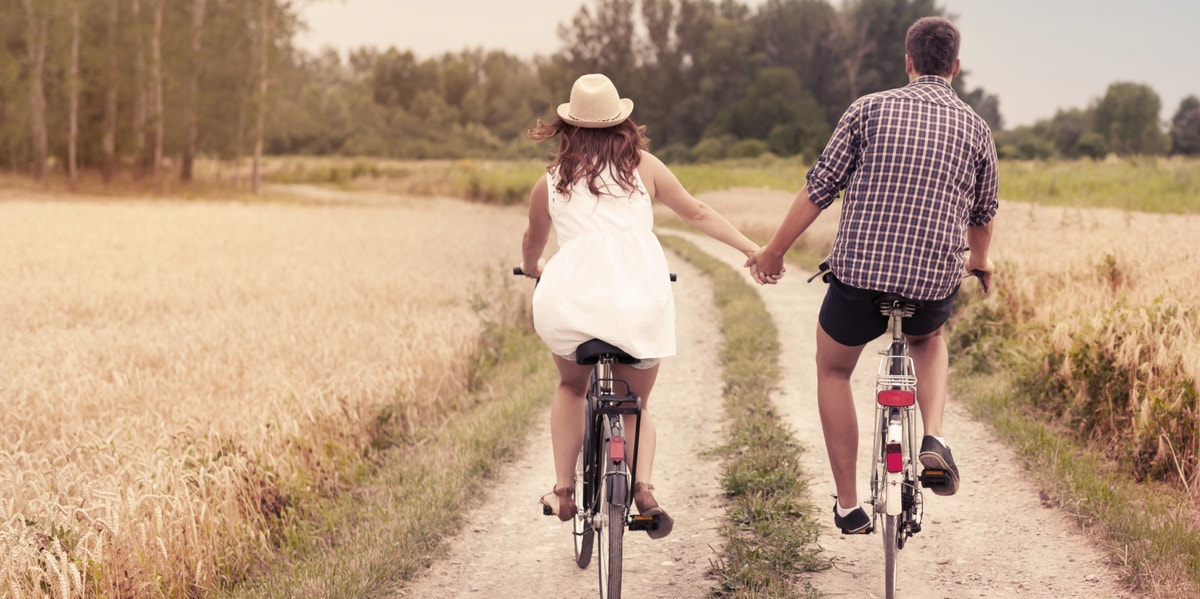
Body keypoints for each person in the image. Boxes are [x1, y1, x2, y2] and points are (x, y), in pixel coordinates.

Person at [747, 16, 998, 534]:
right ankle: (933, 438)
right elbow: (983, 213)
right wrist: (980, 260)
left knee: (834, 370)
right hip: (930, 283)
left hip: (859, 279)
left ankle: (847, 505)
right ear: (955, 66)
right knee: (928, 338)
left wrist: (774, 251)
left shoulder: (868, 110)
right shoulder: (976, 127)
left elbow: (819, 189)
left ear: (907, 62)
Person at [521, 73, 761, 539]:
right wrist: (752, 249)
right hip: (638, 304)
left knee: (572, 388)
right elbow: (697, 213)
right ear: (621, 124)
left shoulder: (549, 182)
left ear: (568, 127)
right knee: (636, 402)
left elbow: (532, 242)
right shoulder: (645, 166)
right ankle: (644, 489)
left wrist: (534, 267)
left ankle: (565, 491)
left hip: (570, 306)